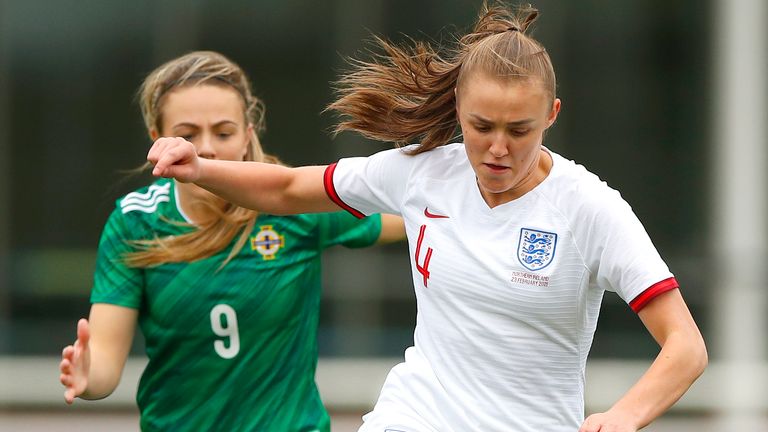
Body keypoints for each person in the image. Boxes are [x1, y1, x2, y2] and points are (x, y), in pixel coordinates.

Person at [146, 4, 707, 432]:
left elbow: (685, 345)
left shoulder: (590, 209)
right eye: (481, 125)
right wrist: (200, 169)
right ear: (459, 107)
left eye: (519, 131)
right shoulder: (422, 173)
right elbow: (292, 187)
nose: (497, 148)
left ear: (551, 116)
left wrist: (625, 415)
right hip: (414, 416)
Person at [59, 50, 404, 432]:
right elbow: (105, 363)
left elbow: (412, 217)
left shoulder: (294, 203)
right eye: (187, 134)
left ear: (247, 137)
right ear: (157, 139)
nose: (205, 147)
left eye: (223, 132)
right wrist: (88, 376)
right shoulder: (135, 222)